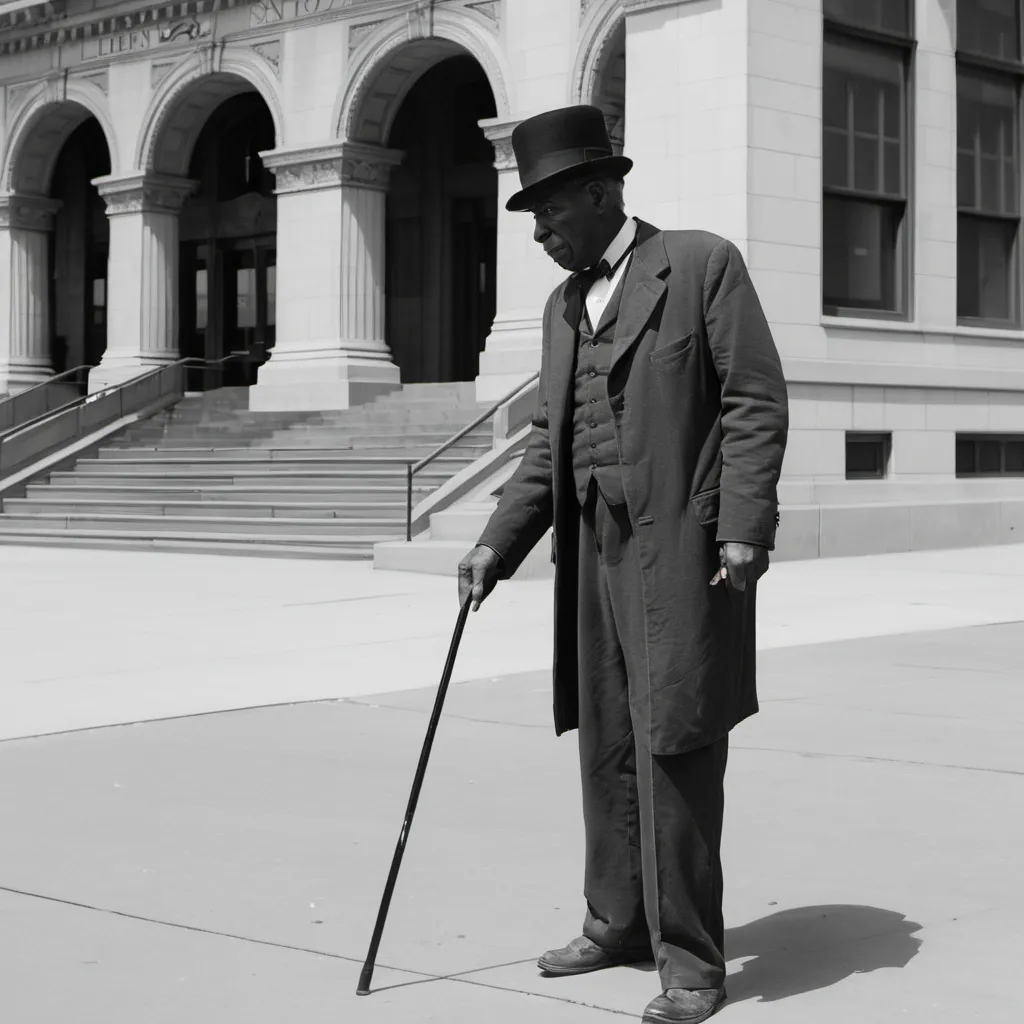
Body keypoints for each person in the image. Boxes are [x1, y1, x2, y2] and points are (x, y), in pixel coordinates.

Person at [458, 105, 788, 1024]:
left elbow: (754, 401)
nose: (539, 233)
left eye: (549, 212)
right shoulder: (563, 310)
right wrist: (497, 542)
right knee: (605, 742)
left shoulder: (701, 264)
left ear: (601, 192)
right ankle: (618, 922)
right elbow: (546, 446)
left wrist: (744, 529)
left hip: (684, 552)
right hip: (591, 560)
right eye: (530, 217)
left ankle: (692, 961)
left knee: (677, 744)